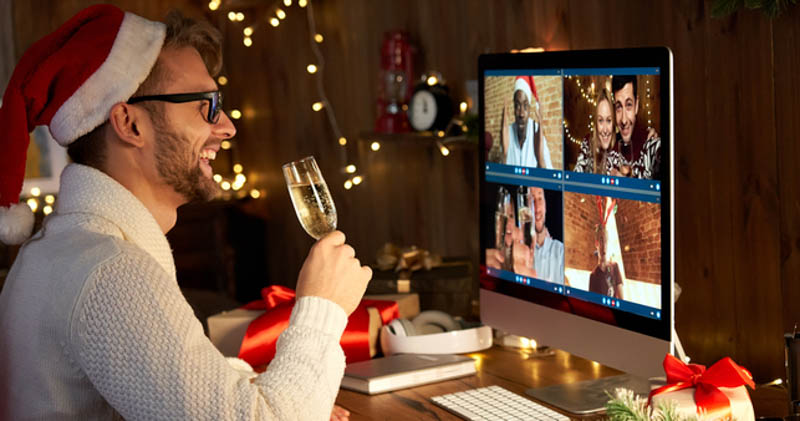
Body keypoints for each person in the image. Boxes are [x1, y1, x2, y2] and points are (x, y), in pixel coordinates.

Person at [0, 5, 369, 420]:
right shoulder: (110, 272)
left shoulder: (66, 250)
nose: (226, 126)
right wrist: (323, 306)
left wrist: (282, 397)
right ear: (130, 123)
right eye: (205, 105)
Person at [486, 187, 564, 284]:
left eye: (540, 199)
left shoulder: (560, 251)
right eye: (531, 200)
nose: (537, 208)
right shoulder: (516, 251)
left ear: (546, 205)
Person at [611, 75, 661, 180]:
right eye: (619, 107)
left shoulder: (650, 144)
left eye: (629, 105)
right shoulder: (609, 146)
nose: (624, 120)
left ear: (636, 105)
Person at [501, 76, 553, 169]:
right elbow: (503, 180)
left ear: (529, 109)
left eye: (525, 106)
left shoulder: (537, 132)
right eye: (517, 106)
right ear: (513, 109)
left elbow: (552, 180)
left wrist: (540, 160)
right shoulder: (507, 133)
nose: (521, 114)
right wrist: (504, 155)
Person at [573, 88, 624, 175]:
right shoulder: (587, 143)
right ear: (596, 123)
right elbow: (574, 179)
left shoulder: (621, 145)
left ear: (614, 122)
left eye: (608, 120)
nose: (605, 130)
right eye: (600, 120)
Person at [588, 222, 625, 299]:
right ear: (596, 244)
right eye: (601, 241)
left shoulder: (615, 267)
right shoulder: (593, 276)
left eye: (606, 241)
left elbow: (622, 300)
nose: (604, 245)